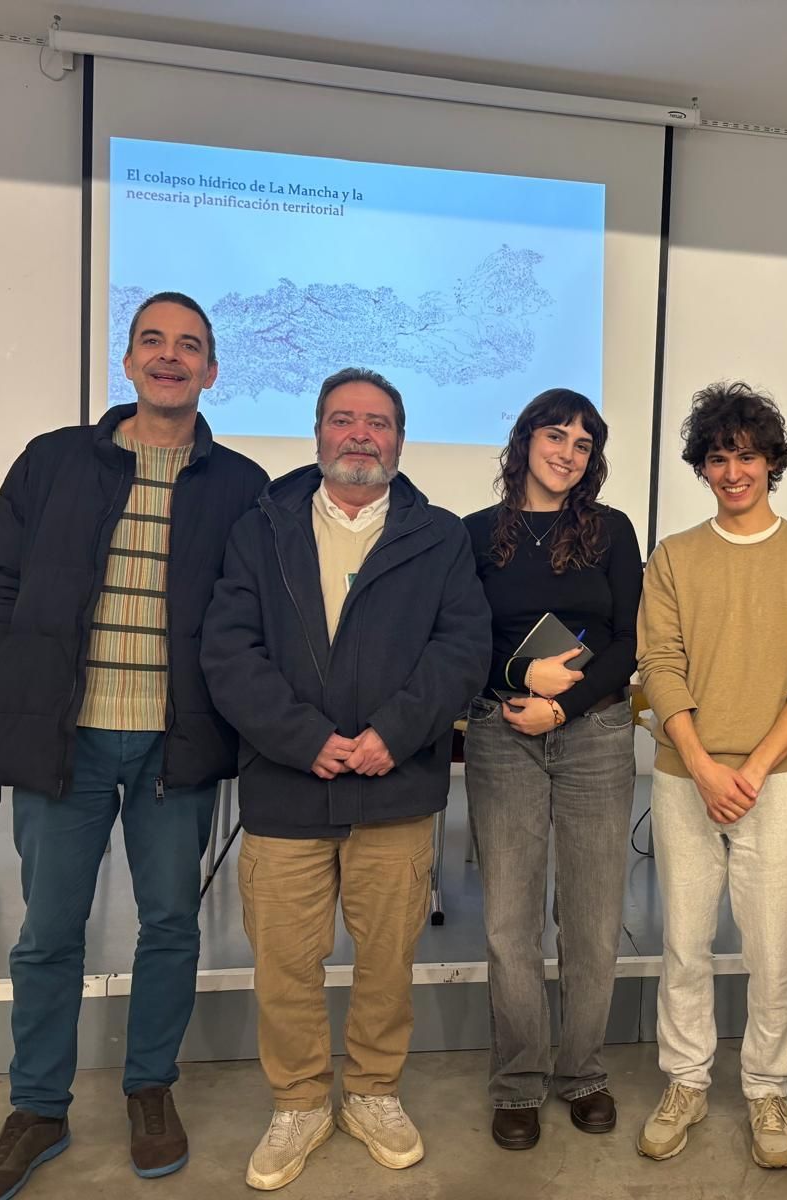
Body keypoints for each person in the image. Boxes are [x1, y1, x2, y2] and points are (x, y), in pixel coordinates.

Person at [0, 293, 267, 1200]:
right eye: (153, 342)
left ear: (212, 371)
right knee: (48, 932)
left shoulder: (241, 485)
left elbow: (247, 613)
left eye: (190, 347)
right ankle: (36, 1109)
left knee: (169, 926)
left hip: (178, 742)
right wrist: (10, 685)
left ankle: (149, 1089)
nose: (170, 358)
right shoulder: (52, 462)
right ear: (128, 361)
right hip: (68, 739)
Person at [200, 367, 490, 1191]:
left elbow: (461, 649)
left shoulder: (438, 536)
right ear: (318, 433)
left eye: (378, 422)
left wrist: (391, 735)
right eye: (343, 420)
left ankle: (371, 1092)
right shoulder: (263, 527)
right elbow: (228, 650)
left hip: (393, 789)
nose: (360, 435)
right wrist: (306, 739)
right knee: (284, 959)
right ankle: (297, 1103)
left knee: (386, 957)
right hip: (287, 786)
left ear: (400, 437)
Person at [634, 381, 787, 1169]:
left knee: (774, 949)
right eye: (718, 457)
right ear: (702, 467)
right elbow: (659, 662)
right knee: (685, 944)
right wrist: (700, 764)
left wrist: (753, 767)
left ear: (772, 463)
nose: (733, 471)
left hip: (778, 781)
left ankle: (766, 1088)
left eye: (747, 455)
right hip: (683, 777)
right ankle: (686, 1079)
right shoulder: (675, 557)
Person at [461, 389, 643, 1149]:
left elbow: (630, 643)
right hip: (502, 733)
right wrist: (515, 679)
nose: (567, 452)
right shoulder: (472, 535)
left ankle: (584, 1073)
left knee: (594, 920)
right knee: (510, 922)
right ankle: (518, 1082)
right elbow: (455, 640)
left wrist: (564, 708)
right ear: (524, 438)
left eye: (583, 443)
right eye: (555, 435)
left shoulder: (611, 531)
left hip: (596, 732)